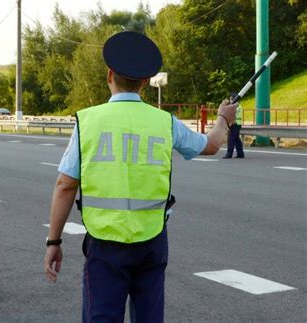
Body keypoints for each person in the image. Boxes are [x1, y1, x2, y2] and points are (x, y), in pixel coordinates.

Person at [43, 31, 237, 322]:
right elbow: (210, 145)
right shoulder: (164, 122)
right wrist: (224, 118)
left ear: (109, 74)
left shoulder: (88, 121)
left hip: (104, 239)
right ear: (146, 81)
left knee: (101, 316)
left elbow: (65, 185)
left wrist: (53, 242)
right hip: (152, 239)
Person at [223, 92, 245, 158]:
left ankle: (229, 155)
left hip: (234, 124)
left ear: (233, 99)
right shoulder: (238, 106)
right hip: (237, 124)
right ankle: (240, 154)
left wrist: (230, 123)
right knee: (236, 139)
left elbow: (233, 115)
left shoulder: (235, 106)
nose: (230, 100)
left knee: (231, 139)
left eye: (230, 98)